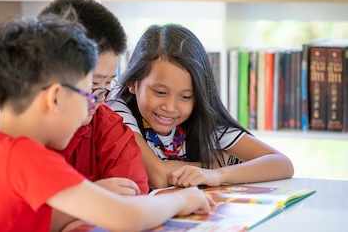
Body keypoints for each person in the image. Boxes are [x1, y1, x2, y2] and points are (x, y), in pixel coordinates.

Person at [0, 12, 213, 232]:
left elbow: (30, 221)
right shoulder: (30, 157)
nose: (91, 107)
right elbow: (130, 218)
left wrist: (93, 196)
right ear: (55, 98)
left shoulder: (6, 150)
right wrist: (182, 200)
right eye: (87, 94)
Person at [108, 23, 294, 189]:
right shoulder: (118, 112)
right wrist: (212, 164)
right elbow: (158, 176)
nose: (170, 106)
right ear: (133, 83)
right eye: (160, 93)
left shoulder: (202, 120)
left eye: (185, 96)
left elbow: (282, 164)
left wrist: (218, 174)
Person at [39, 0, 149, 195]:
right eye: (91, 85)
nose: (98, 100)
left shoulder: (107, 125)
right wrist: (92, 196)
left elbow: (133, 194)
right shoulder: (18, 133)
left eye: (107, 84)